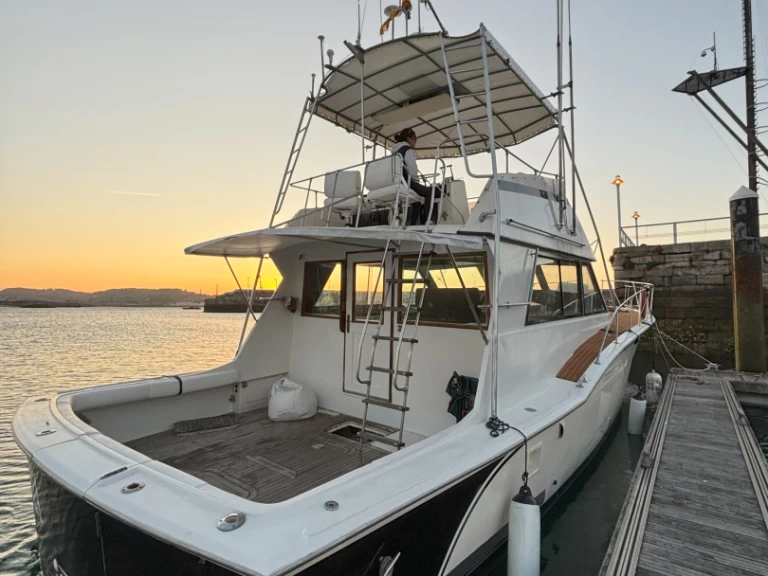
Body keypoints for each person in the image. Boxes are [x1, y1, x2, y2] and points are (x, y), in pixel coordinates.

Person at [391, 128, 442, 224]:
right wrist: (417, 182)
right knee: (429, 193)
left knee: (417, 203)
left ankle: (412, 224)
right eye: (415, 140)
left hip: (397, 182)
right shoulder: (408, 149)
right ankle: (429, 220)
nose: (415, 143)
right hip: (407, 181)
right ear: (409, 138)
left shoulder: (394, 151)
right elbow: (412, 170)